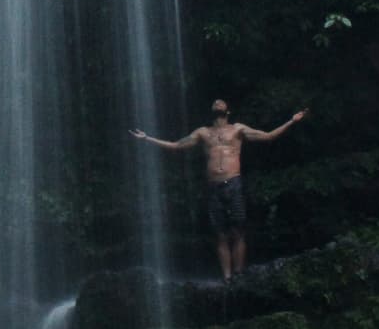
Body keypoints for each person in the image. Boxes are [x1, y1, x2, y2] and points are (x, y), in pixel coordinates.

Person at [131, 99, 308, 281]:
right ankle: (227, 278)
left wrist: (292, 121)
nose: (217, 102)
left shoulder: (238, 129)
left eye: (221, 102)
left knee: (238, 231)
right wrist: (147, 138)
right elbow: (176, 145)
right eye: (215, 102)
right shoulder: (203, 132)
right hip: (214, 187)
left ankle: (239, 275)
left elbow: (268, 136)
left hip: (233, 183)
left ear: (228, 111)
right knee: (220, 234)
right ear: (211, 110)